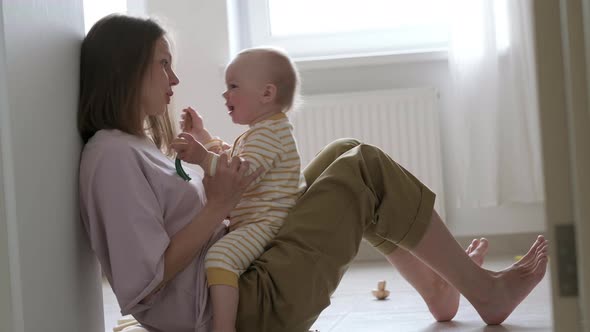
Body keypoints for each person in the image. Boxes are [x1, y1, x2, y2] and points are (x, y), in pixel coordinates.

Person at [78, 14, 548, 332]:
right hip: (238, 301)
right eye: (164, 65)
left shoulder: (135, 146)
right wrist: (219, 205)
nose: (175, 80)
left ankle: (435, 286)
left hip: (242, 268)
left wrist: (213, 172)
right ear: (127, 70)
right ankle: (483, 292)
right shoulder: (111, 158)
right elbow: (142, 282)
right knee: (360, 169)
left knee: (345, 152)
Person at [169, 47, 306, 332]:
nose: (225, 95)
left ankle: (223, 327)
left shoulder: (269, 133)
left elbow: (241, 175)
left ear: (267, 94)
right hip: (254, 220)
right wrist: (203, 138)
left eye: (233, 87)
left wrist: (201, 157)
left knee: (219, 257)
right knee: (218, 252)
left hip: (267, 222)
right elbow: (236, 160)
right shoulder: (263, 131)